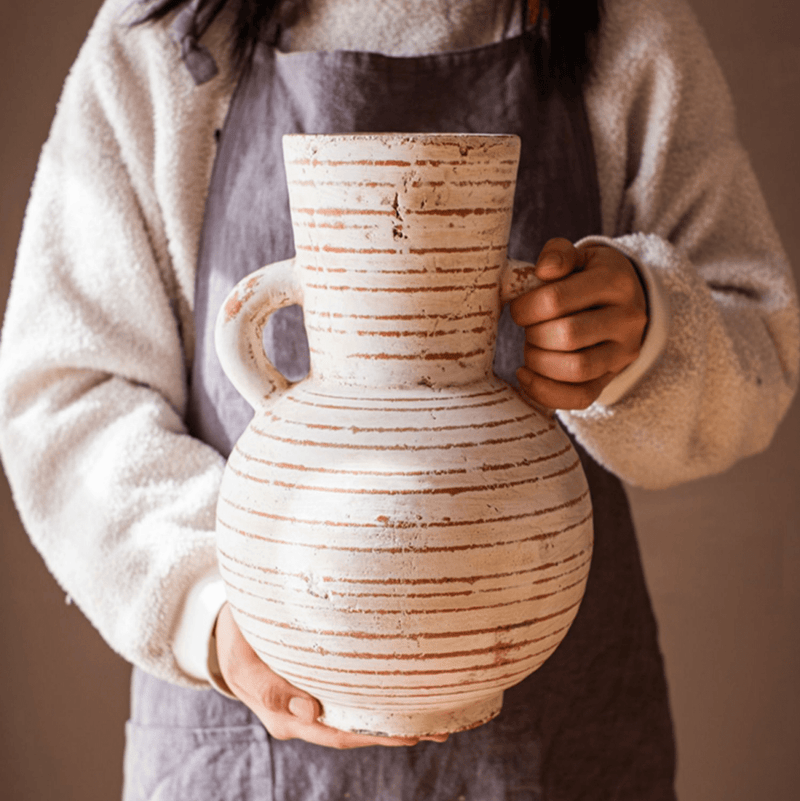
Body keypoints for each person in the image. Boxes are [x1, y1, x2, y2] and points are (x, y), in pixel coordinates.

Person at [0, 0, 797, 798]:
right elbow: (65, 391)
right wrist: (210, 602)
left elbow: (761, 344)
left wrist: (653, 332)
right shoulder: (167, 36)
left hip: (560, 743)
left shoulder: (626, 27)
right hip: (248, 754)